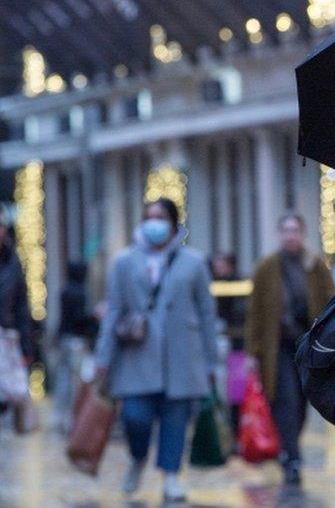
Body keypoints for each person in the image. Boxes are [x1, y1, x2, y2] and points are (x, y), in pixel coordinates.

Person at [94, 198, 219, 503]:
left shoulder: (193, 262)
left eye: (161, 217)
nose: (154, 223)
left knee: (175, 420)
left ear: (174, 222)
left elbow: (206, 312)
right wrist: (102, 358)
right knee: (135, 417)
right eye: (149, 216)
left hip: (182, 356)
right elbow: (113, 312)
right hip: (136, 356)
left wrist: (212, 360)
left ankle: (171, 476)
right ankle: (137, 459)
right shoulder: (124, 262)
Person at [245, 212, 334, 486]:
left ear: (303, 233)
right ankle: (292, 458)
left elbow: (331, 304)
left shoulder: (315, 266)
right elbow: (255, 312)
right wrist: (253, 352)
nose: (290, 235)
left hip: (306, 347)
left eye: (295, 230)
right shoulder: (267, 267)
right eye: (285, 230)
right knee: (285, 400)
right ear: (279, 234)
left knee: (301, 405)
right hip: (278, 349)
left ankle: (288, 448)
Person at [53, 261, 98, 432]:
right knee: (75, 381)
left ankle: (60, 416)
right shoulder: (80, 292)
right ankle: (73, 418)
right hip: (75, 341)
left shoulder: (65, 291)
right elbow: (79, 319)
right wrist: (94, 318)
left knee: (64, 378)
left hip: (64, 339)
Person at [0, 205, 32, 417]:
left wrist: (27, 346)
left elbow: (22, 305)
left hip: (6, 340)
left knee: (5, 399)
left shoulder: (13, 261)